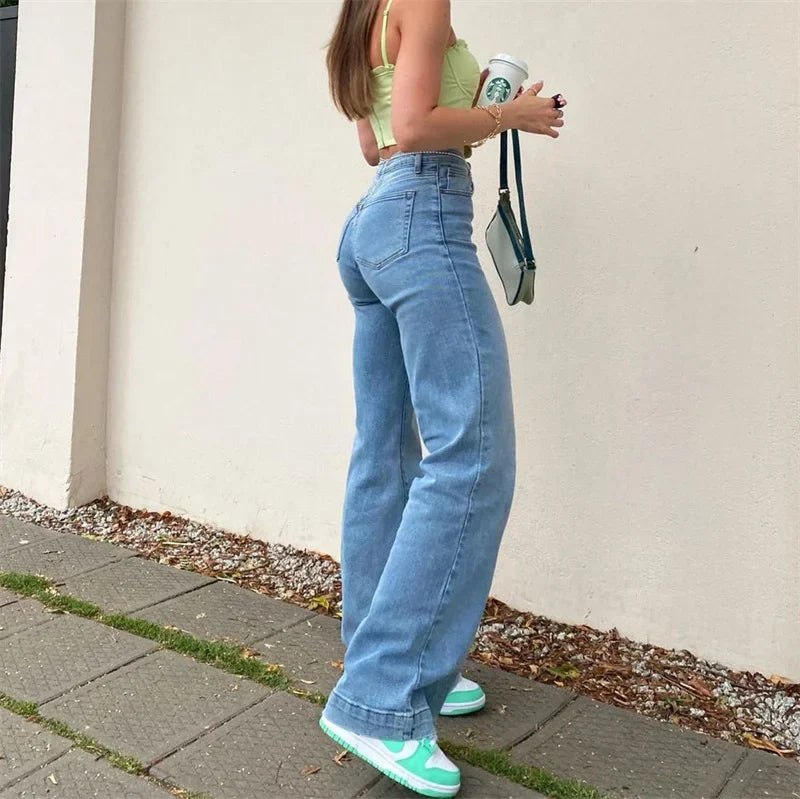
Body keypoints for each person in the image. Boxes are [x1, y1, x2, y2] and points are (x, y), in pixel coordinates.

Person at [320, 0, 566, 795]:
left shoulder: (365, 13)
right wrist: (511, 114)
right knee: (473, 455)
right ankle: (381, 697)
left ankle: (380, 658)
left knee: (385, 455)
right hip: (422, 219)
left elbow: (377, 140)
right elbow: (416, 125)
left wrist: (479, 110)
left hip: (375, 224)